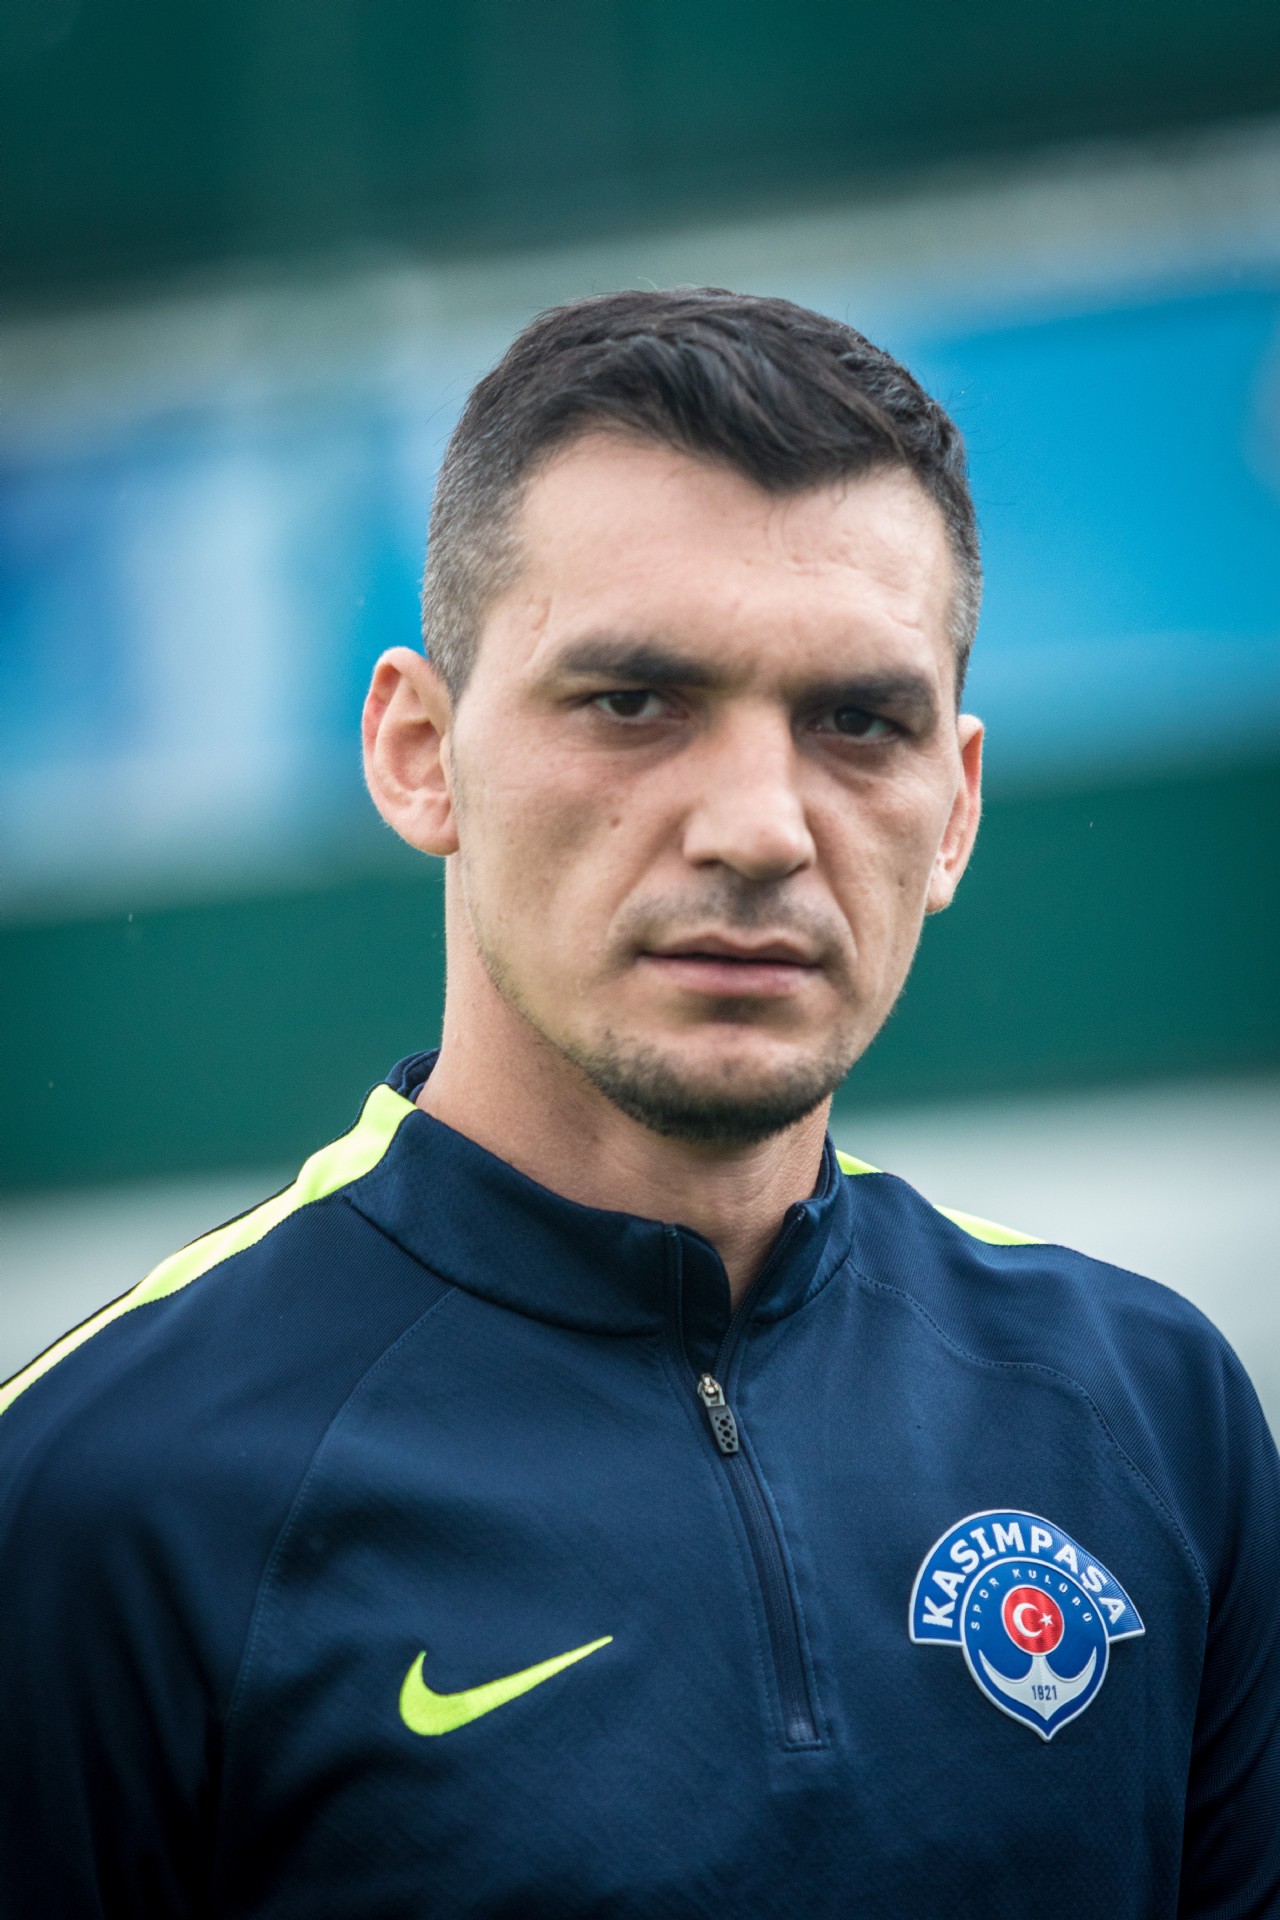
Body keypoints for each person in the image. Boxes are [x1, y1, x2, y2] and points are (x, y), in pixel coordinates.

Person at [1, 289, 1276, 1918]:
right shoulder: (101, 1493)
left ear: (955, 808)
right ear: (419, 753)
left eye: (858, 722)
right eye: (632, 702)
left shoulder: (1151, 1413)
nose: (760, 829)